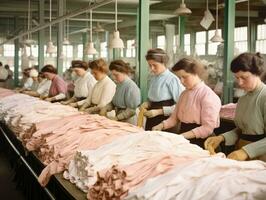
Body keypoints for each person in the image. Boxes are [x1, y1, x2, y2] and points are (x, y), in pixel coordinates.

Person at [205, 52, 266, 161]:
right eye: (237, 78)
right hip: (242, 150)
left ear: (257, 73)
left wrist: (246, 151)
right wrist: (222, 138)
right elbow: (242, 130)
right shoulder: (243, 98)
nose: (240, 83)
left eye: (244, 77)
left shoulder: (264, 96)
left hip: (261, 156)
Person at [153, 57, 221, 148]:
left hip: (202, 142)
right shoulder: (184, 94)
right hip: (184, 136)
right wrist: (161, 126)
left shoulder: (208, 96)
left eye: (185, 77)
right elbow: (174, 118)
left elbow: (207, 128)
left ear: (196, 74)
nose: (181, 81)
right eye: (179, 78)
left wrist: (181, 137)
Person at [140, 48, 184, 131]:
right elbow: (153, 98)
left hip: (166, 120)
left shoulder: (172, 79)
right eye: (150, 65)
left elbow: (181, 105)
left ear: (163, 63)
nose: (152, 68)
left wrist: (159, 111)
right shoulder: (153, 78)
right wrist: (148, 103)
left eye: (155, 65)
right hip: (151, 117)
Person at [100, 60, 141, 124]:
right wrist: (105, 108)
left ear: (124, 72)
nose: (114, 78)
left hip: (128, 120)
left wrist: (117, 118)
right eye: (113, 75)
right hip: (119, 118)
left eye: (116, 75)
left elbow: (131, 110)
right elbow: (114, 102)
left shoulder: (131, 87)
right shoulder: (119, 85)